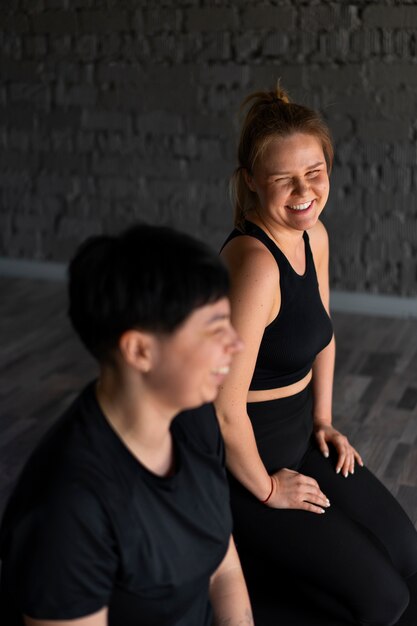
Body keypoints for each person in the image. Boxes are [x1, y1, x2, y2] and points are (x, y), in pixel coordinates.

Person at [215, 86, 417, 626]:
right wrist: (266, 487)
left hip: (299, 440)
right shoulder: (254, 264)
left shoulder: (313, 235)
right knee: (381, 601)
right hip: (243, 468)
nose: (305, 190)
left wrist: (323, 421)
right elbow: (224, 408)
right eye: (284, 178)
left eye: (316, 170)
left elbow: (322, 336)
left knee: (407, 556)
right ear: (252, 181)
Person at [0, 223, 254, 626]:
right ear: (139, 350)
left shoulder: (195, 419)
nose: (237, 344)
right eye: (214, 327)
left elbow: (225, 570)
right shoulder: (66, 509)